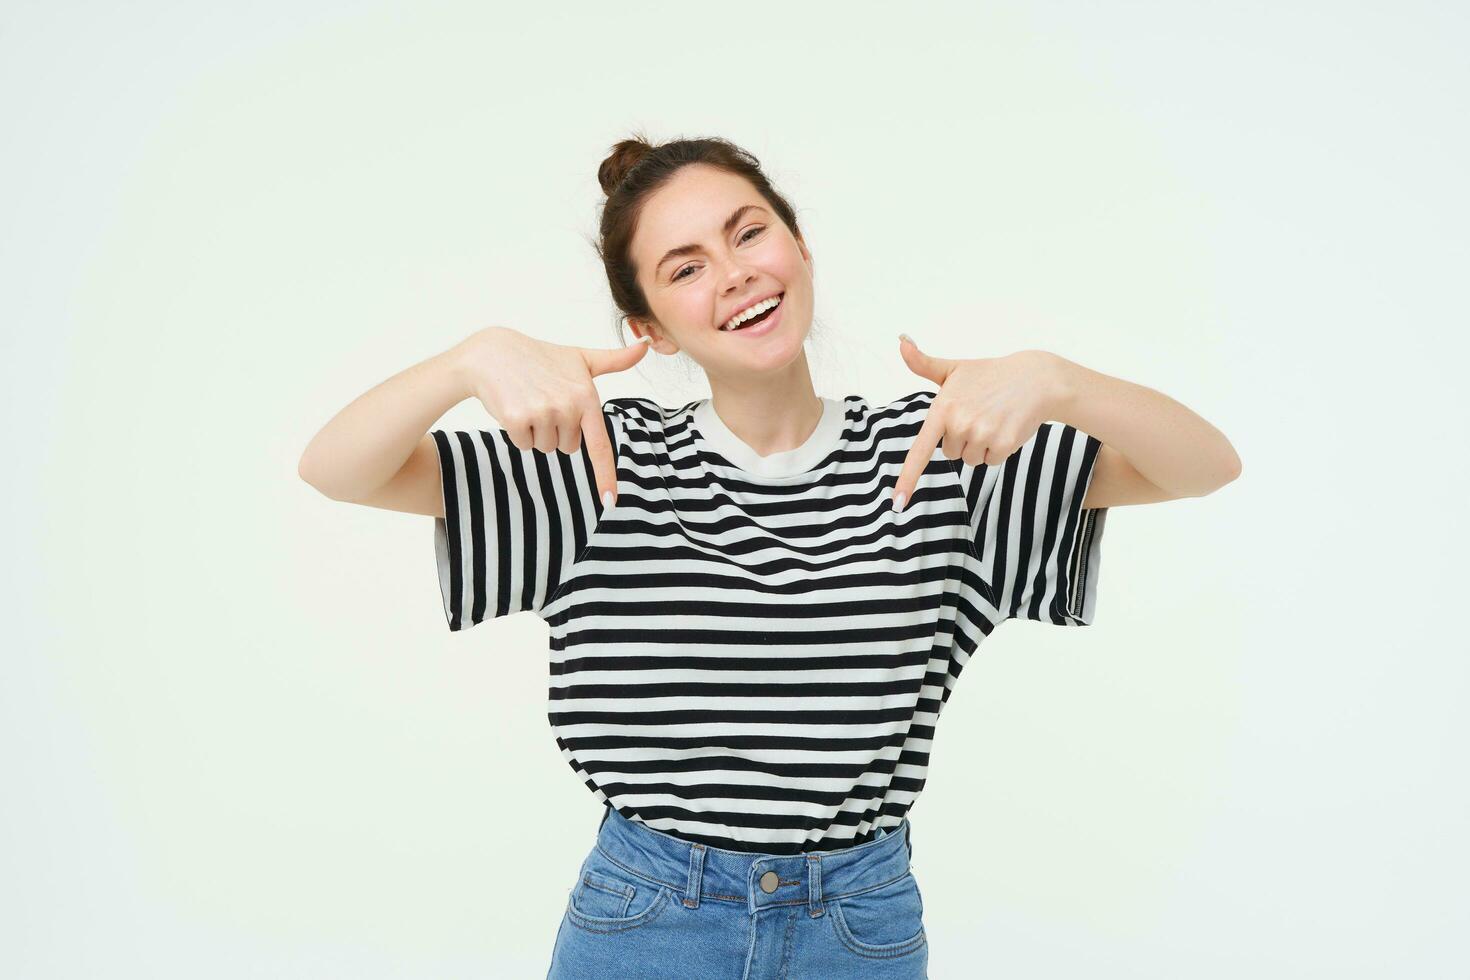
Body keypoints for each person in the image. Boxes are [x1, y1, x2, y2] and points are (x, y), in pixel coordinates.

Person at [298, 134, 1241, 979]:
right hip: (649, 920)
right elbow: (337, 467)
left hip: (859, 923)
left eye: (748, 234)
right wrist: (470, 360)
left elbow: (1203, 466)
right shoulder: (600, 463)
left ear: (800, 248)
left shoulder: (939, 457)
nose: (735, 273)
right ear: (651, 330)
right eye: (685, 267)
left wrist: (1061, 380)